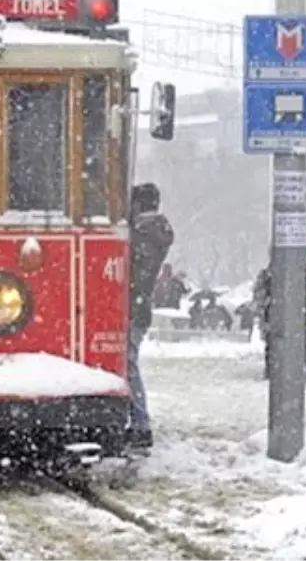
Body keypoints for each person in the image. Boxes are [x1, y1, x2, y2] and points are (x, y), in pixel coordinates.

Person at [127, 183, 174, 450]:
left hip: (133, 308)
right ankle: (138, 421)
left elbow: (134, 265)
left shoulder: (143, 234)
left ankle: (140, 423)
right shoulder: (155, 232)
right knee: (128, 363)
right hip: (139, 307)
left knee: (128, 364)